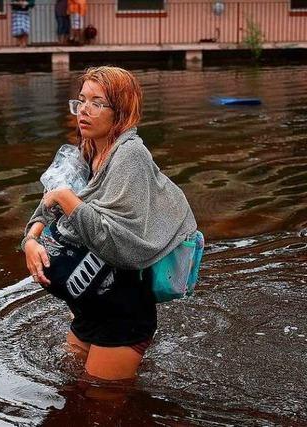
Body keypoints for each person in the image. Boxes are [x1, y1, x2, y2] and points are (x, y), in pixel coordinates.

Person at [21, 66, 197, 381]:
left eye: (97, 103)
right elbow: (46, 205)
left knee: (102, 402)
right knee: (72, 389)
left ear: (121, 112)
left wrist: (67, 198)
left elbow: (118, 242)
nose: (84, 111)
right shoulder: (85, 151)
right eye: (81, 101)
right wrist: (30, 241)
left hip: (122, 311)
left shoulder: (131, 156)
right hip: (87, 304)